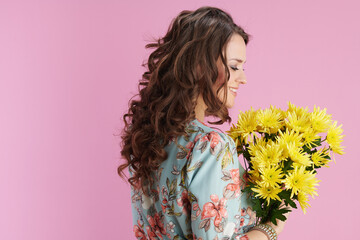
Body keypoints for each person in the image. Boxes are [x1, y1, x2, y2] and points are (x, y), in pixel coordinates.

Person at [118, 6, 289, 239]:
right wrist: (271, 227)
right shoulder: (210, 145)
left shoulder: (147, 140)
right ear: (200, 65)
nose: (243, 78)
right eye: (234, 66)